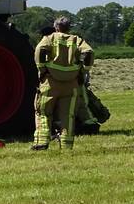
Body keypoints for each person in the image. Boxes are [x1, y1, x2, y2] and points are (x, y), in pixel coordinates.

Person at [32, 17, 92, 150]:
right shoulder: (77, 40)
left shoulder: (50, 38)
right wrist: (83, 71)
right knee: (68, 116)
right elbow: (88, 53)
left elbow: (39, 51)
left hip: (51, 83)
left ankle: (41, 142)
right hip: (71, 84)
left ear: (56, 27)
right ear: (69, 28)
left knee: (43, 112)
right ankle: (66, 145)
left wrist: (42, 70)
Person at [38, 24, 110, 133]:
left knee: (80, 103)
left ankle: (88, 125)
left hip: (67, 81)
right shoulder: (71, 41)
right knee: (78, 103)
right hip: (74, 79)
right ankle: (87, 124)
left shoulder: (50, 44)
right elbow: (87, 55)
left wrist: (42, 73)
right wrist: (83, 72)